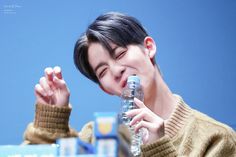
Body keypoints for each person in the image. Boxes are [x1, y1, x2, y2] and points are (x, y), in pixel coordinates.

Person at [23, 12, 236, 156]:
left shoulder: (216, 139)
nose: (116, 71)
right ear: (105, 88)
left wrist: (158, 149)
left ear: (149, 48)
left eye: (121, 53)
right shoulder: (95, 136)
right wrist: (51, 120)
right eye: (103, 70)